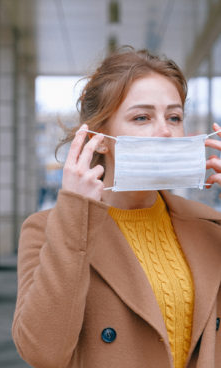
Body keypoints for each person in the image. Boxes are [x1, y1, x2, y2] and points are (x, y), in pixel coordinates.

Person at [12, 46, 221, 368]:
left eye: (174, 117)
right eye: (142, 117)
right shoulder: (49, 228)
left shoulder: (210, 224)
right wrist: (75, 215)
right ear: (102, 137)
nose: (165, 131)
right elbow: (42, 351)